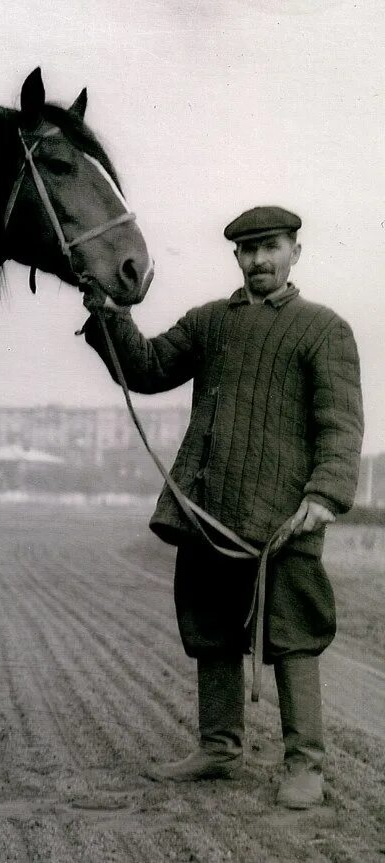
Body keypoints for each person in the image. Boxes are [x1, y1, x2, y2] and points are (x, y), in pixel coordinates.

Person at [80, 205, 364, 809]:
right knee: (209, 631)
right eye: (248, 250)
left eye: (271, 247)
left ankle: (305, 765)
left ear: (295, 251)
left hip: (287, 520)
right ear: (236, 257)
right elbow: (149, 367)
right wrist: (110, 315)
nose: (259, 260)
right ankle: (219, 748)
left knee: (292, 636)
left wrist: (325, 495)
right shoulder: (210, 323)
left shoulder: (324, 330)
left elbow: (339, 426)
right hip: (208, 509)